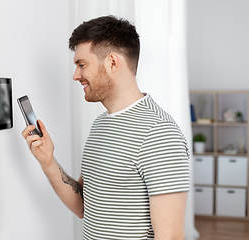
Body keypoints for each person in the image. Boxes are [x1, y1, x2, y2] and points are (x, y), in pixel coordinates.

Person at [22, 15, 190, 240]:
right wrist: (48, 162)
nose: (75, 76)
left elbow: (170, 237)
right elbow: (84, 206)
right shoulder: (101, 124)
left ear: (112, 62)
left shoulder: (158, 133)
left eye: (82, 65)